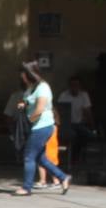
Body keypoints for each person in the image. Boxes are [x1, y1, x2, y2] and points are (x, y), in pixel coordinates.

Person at [14, 61, 69, 196]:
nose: (22, 77)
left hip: (42, 126)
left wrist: (29, 120)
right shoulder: (31, 87)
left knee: (29, 156)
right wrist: (22, 104)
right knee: (40, 158)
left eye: (23, 74)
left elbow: (39, 109)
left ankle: (26, 188)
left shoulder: (43, 88)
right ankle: (63, 177)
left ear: (30, 74)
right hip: (36, 127)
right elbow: (26, 100)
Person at [57, 75, 96, 165]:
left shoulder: (84, 95)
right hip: (66, 124)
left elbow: (88, 112)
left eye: (77, 85)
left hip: (78, 124)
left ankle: (75, 156)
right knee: (72, 135)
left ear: (80, 86)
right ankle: (72, 157)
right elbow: (59, 110)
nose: (74, 87)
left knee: (87, 135)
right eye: (72, 85)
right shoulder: (64, 95)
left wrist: (92, 125)